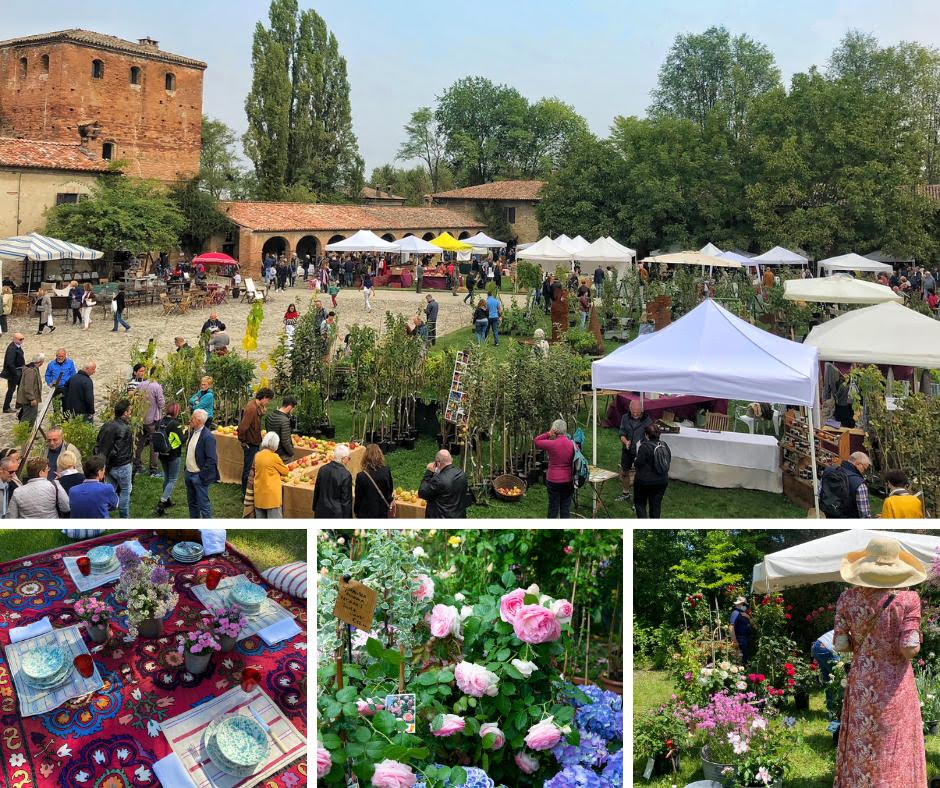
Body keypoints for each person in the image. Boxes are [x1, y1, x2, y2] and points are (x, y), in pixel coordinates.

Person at [833, 537, 927, 786]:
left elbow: (841, 645)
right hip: (895, 683)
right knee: (894, 740)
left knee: (862, 739)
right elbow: (909, 648)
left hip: (862, 680)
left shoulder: (847, 599)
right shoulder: (908, 600)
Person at [95, 399, 134, 518]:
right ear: (125, 413)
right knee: (125, 491)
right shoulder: (125, 429)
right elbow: (118, 450)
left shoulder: (106, 425)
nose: (130, 414)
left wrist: (105, 464)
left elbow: (98, 443)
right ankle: (124, 517)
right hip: (121, 465)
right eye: (129, 411)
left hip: (108, 466)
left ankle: (103, 514)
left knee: (110, 491)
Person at [534, 419, 575, 518]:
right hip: (568, 479)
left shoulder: (552, 444)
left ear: (554, 430)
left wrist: (548, 433)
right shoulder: (572, 444)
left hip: (553, 480)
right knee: (565, 507)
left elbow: (536, 441)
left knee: (553, 506)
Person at [237, 388, 273, 493]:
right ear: (264, 397)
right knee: (248, 469)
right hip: (250, 443)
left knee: (251, 467)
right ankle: (245, 493)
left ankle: (250, 491)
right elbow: (243, 427)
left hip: (254, 441)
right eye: (268, 400)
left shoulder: (256, 407)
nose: (268, 402)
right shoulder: (252, 408)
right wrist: (243, 441)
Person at [184, 408, 218, 518]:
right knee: (192, 503)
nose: (191, 420)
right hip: (189, 474)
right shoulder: (194, 432)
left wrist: (201, 476)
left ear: (199, 421)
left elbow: (211, 459)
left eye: (193, 418)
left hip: (198, 476)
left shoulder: (207, 437)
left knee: (203, 505)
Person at [820, 451, 873, 518]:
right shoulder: (860, 484)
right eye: (865, 469)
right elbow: (864, 515)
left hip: (827, 517)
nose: (864, 472)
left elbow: (820, 493)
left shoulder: (829, 471)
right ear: (858, 464)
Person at [617, 399, 652, 501]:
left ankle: (638, 497)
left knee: (640, 475)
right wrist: (626, 441)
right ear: (630, 409)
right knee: (624, 472)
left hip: (641, 452)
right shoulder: (625, 418)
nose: (635, 414)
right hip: (627, 449)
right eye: (633, 412)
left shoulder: (647, 420)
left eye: (638, 412)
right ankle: (625, 493)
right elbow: (621, 433)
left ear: (641, 410)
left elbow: (651, 436)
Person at [633, 423, 670, 518]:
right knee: (656, 505)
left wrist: (635, 461)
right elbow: (668, 460)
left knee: (640, 503)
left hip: (644, 481)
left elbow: (638, 464)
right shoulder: (664, 445)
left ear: (646, 435)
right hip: (662, 480)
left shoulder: (644, 446)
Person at [154, 402, 185, 516]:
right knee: (172, 479)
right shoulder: (175, 424)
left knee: (166, 477)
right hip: (173, 455)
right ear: (176, 411)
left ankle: (167, 500)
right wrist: (186, 432)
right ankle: (162, 502)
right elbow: (181, 440)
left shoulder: (161, 421)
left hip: (162, 454)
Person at [419, 449, 468, 518]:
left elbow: (422, 493)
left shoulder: (438, 480)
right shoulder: (461, 474)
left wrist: (429, 473)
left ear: (438, 463)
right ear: (451, 459)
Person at [135, 368, 165, 477]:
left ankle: (137, 465)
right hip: (153, 419)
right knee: (154, 444)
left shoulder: (141, 385)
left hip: (140, 419)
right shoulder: (157, 386)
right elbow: (161, 404)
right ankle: (153, 469)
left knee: (139, 443)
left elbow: (136, 399)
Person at [253, 431, 289, 518]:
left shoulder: (257, 455)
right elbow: (285, 471)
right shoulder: (274, 457)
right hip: (272, 497)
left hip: (259, 495)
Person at [354, 443, 394, 518]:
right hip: (382, 512)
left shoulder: (361, 476)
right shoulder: (386, 471)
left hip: (366, 514)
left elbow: (358, 497)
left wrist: (356, 512)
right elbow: (390, 490)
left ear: (365, 457)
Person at [313, 443, 353, 518]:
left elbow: (317, 492)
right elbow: (346, 501)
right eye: (348, 458)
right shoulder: (346, 475)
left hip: (321, 511)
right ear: (344, 458)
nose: (348, 460)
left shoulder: (322, 469)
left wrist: (315, 508)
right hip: (336, 514)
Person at [812, 628, 840, 714]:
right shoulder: (855, 630)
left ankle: (831, 710)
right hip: (826, 648)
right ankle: (836, 711)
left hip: (817, 646)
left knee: (829, 680)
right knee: (839, 679)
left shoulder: (848, 624)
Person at [265, 395, 296, 462]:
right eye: (293, 409)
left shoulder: (270, 415)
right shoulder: (284, 420)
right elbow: (285, 441)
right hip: (282, 454)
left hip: (272, 450)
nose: (292, 412)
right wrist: (292, 453)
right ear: (289, 407)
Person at [15, 353, 44, 425]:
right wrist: (31, 398)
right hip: (28, 400)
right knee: (27, 418)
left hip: (32, 398)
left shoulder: (34, 368)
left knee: (32, 417)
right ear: (41, 362)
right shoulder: (30, 371)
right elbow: (28, 387)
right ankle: (23, 434)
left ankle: (30, 434)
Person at [1, 332, 24, 413]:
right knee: (11, 389)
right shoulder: (12, 349)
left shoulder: (17, 346)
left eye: (22, 339)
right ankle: (6, 407)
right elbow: (9, 363)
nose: (22, 341)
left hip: (17, 371)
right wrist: (15, 373)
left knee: (20, 387)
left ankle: (19, 404)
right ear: (15, 339)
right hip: (13, 373)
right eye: (20, 339)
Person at [732, 599, 753, 665]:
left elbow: (753, 624)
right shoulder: (736, 613)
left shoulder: (744, 613)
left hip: (745, 638)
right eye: (744, 604)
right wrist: (734, 639)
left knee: (745, 658)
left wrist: (749, 617)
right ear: (739, 604)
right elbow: (731, 626)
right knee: (740, 659)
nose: (745, 606)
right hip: (740, 638)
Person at [0, 454, 21, 518]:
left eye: (15, 472)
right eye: (11, 472)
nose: (13, 475)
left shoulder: (6, 484)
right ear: (1, 470)